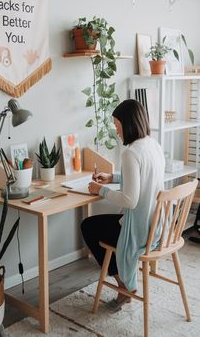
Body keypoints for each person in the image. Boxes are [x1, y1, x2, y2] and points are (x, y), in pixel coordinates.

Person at [81, 99, 165, 308]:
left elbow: (130, 200)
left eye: (117, 125)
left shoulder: (130, 153)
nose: (116, 131)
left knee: (88, 226)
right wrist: (113, 177)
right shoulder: (152, 144)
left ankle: (124, 287)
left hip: (139, 229)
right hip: (157, 225)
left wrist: (100, 189)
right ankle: (124, 286)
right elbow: (144, 177)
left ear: (127, 124)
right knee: (95, 225)